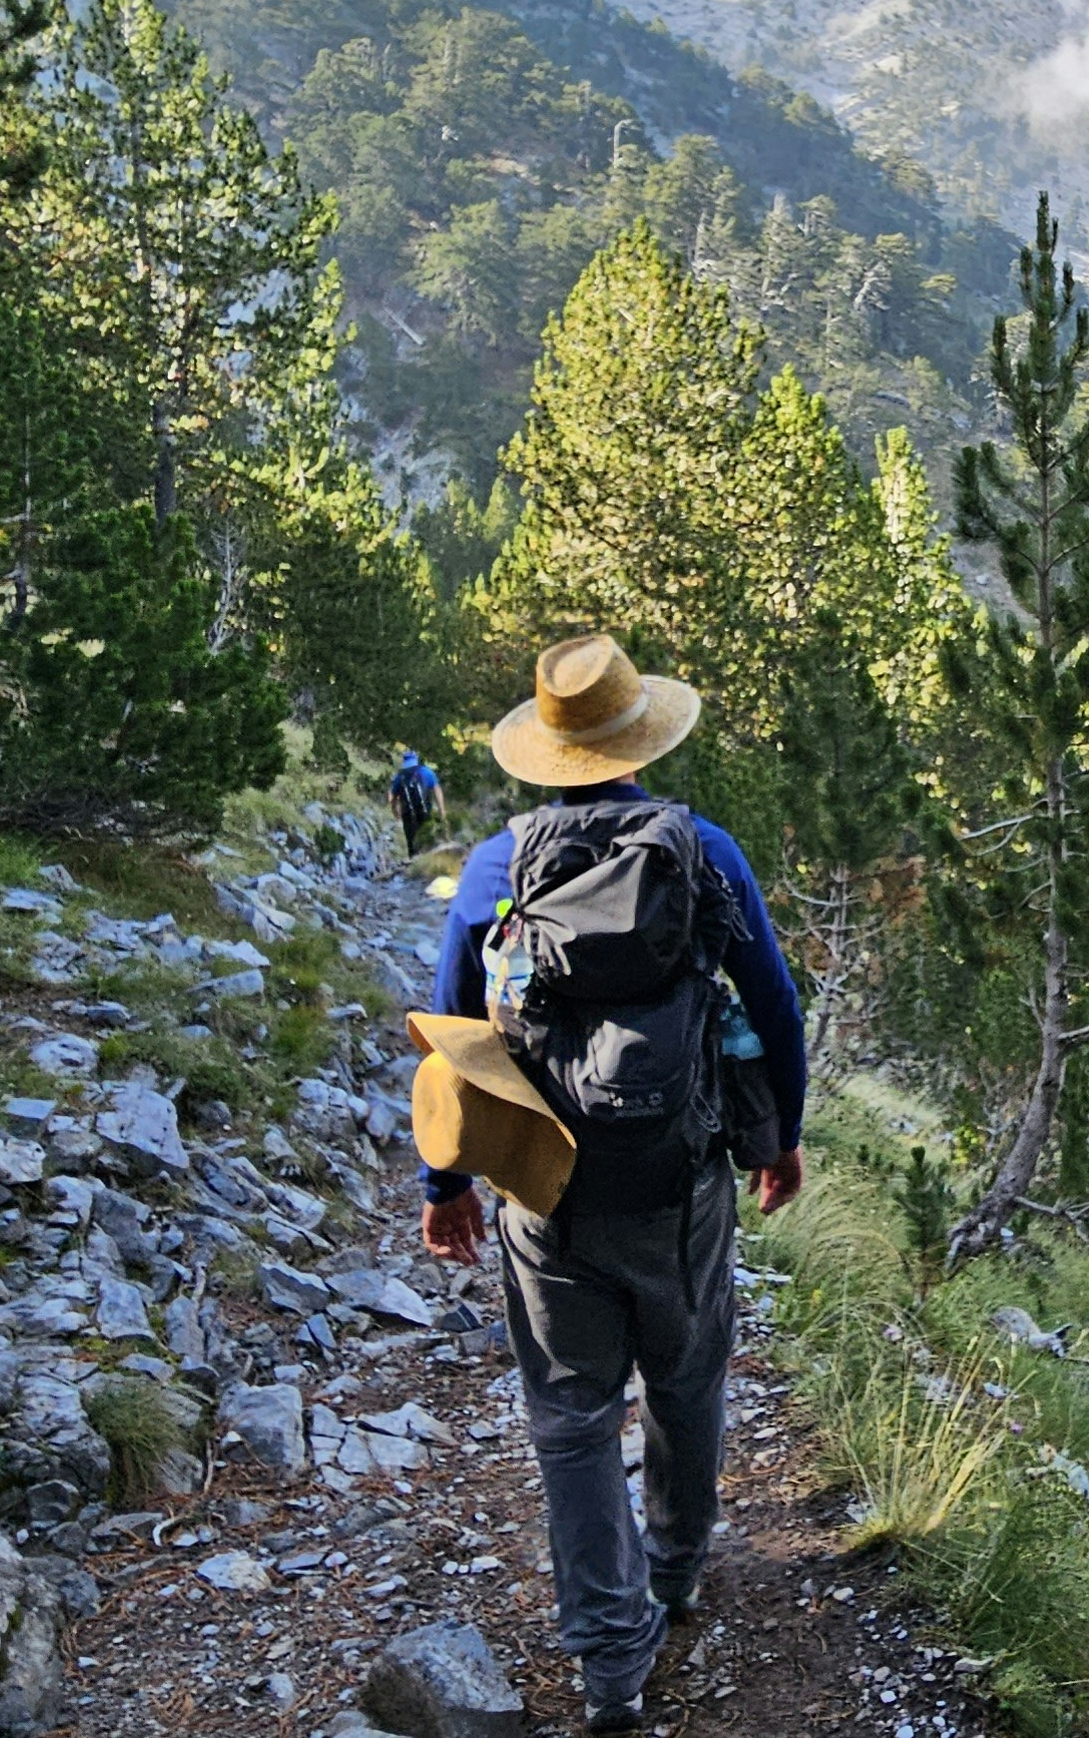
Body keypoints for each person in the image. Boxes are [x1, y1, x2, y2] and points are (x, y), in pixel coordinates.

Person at [418, 634, 806, 1732]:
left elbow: (453, 1038)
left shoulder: (499, 868)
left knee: (571, 1417)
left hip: (546, 1195)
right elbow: (774, 1004)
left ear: (546, 748)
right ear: (641, 737)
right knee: (687, 1380)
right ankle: (677, 1570)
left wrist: (446, 1178)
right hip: (679, 1181)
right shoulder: (704, 851)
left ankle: (608, 1665)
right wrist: (780, 1136)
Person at [387, 745, 441, 857]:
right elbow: (437, 790)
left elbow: (392, 797)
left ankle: (413, 863)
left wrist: (394, 810)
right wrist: (442, 809)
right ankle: (429, 862)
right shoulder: (426, 771)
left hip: (408, 814)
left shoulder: (399, 776)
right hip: (425, 811)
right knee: (427, 838)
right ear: (416, 760)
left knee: (412, 842)